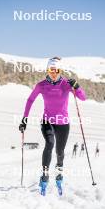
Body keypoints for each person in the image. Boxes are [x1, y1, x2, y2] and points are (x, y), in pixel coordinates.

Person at [19, 57, 86, 194]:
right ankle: (44, 176)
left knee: (60, 152)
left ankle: (59, 173)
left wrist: (77, 87)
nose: (53, 73)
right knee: (49, 143)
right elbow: (30, 99)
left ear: (60, 71)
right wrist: (24, 118)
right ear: (48, 70)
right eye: (51, 70)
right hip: (47, 121)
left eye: (56, 70)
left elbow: (83, 97)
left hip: (63, 123)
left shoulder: (67, 84)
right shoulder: (42, 85)